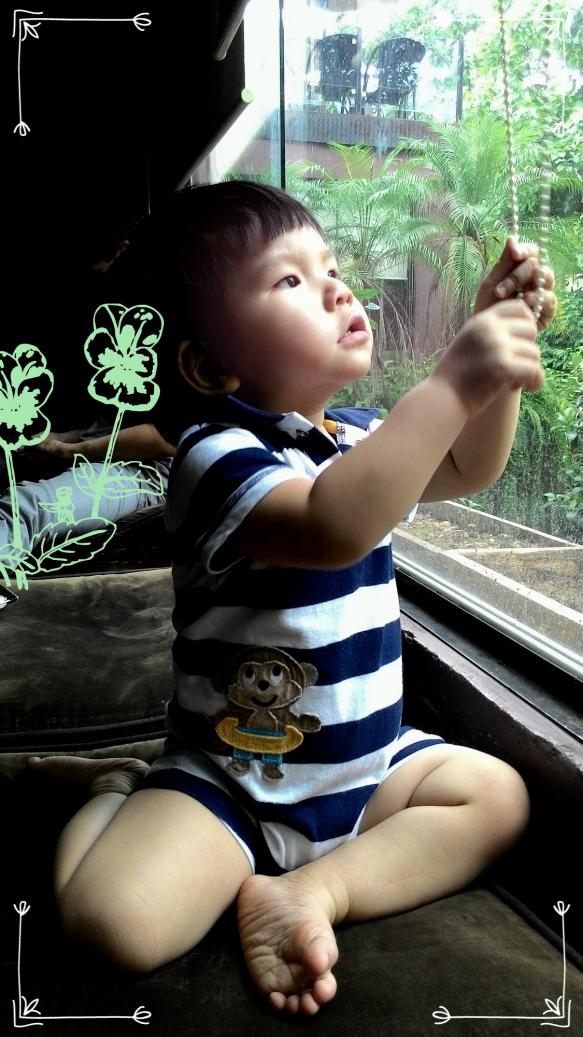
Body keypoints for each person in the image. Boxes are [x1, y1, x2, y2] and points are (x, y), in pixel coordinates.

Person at [28, 181, 556, 1015]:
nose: (338, 290)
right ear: (211, 365)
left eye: (333, 269)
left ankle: (315, 890)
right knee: (111, 923)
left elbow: (465, 466)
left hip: (367, 769)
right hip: (231, 781)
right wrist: (455, 379)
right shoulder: (214, 458)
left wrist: (494, 366)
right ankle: (119, 788)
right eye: (291, 280)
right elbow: (329, 523)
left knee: (496, 797)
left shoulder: (353, 436)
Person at [0, 423, 174, 552]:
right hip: (115, 448)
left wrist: (66, 449)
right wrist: (63, 437)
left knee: (25, 508)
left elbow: (159, 438)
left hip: (148, 475)